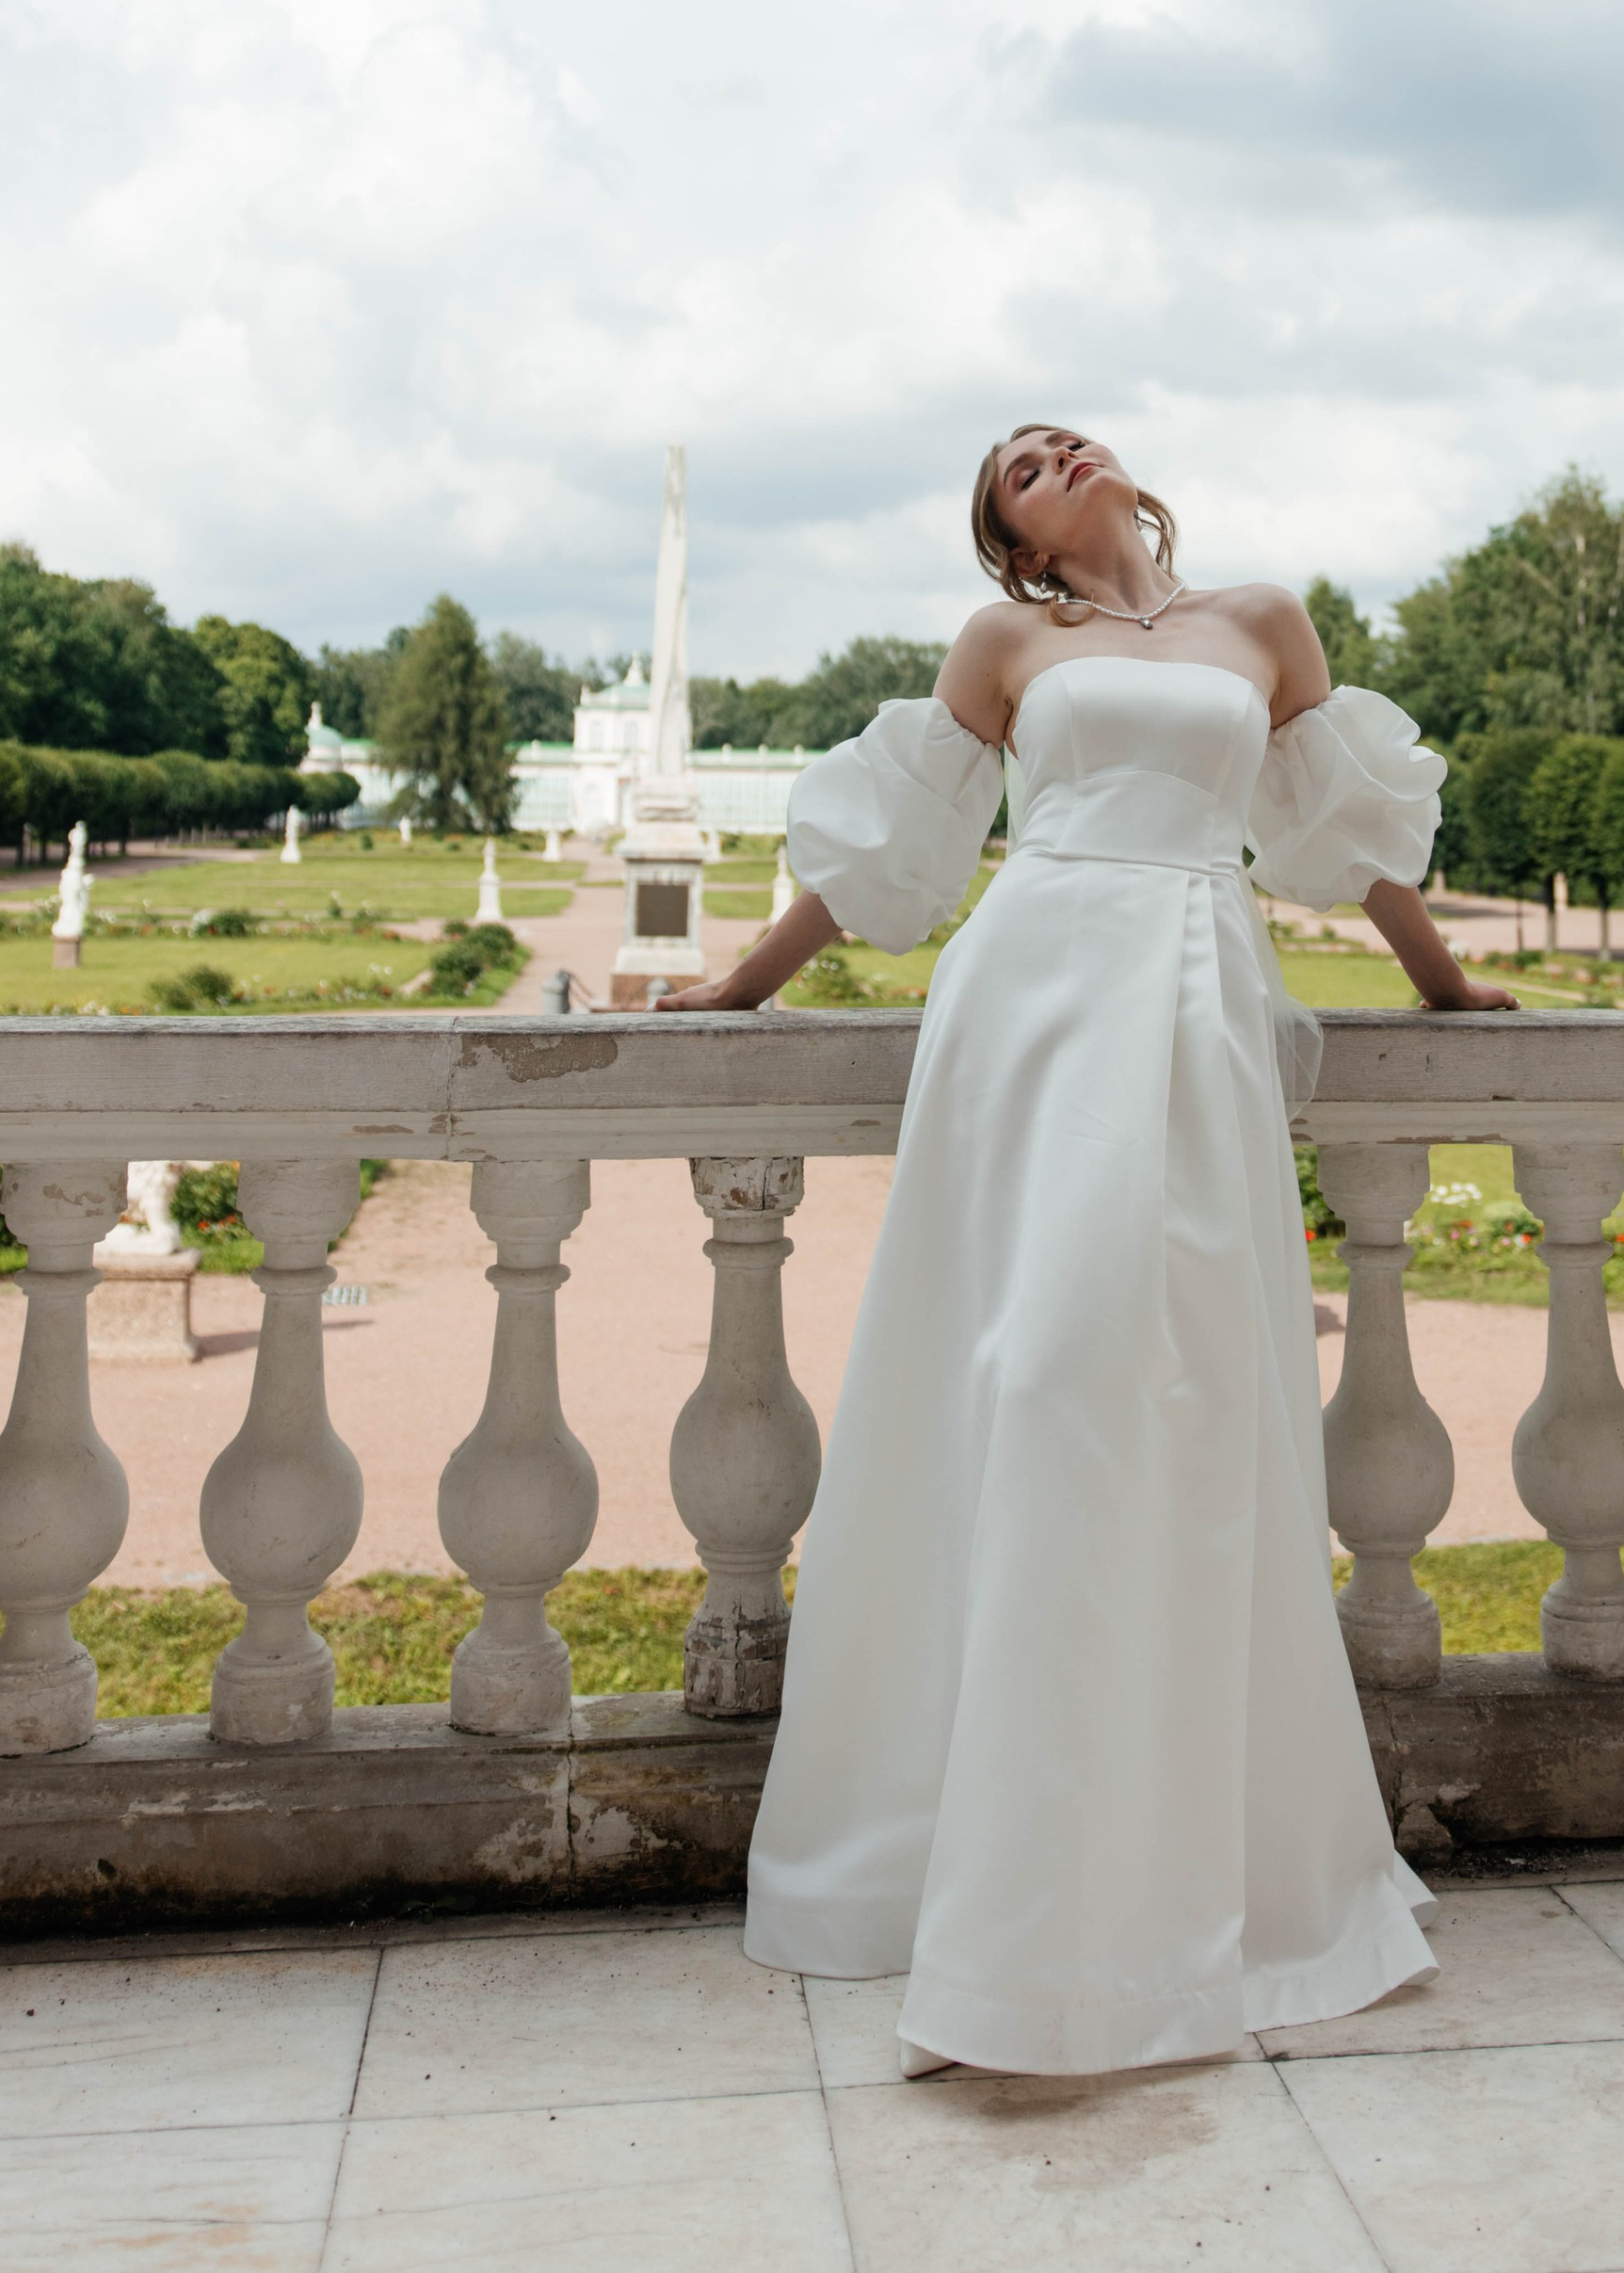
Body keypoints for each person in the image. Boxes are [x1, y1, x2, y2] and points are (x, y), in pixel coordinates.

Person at [676, 425, 1513, 2078]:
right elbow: (897, 856)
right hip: (1037, 998)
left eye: (1062, 439)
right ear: (1017, 548)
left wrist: (1439, 985)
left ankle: (1183, 1875)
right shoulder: (1010, 647)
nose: (1052, 455)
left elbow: (1337, 835)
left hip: (1198, 999)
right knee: (1037, 1372)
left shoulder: (1264, 621)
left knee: (1196, 1402)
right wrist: (740, 984)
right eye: (1017, 471)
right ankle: (993, 1882)